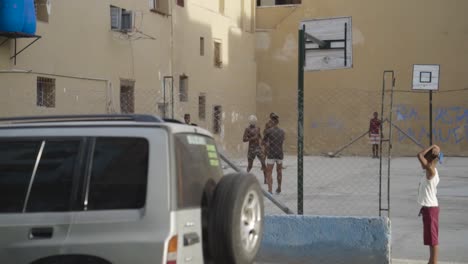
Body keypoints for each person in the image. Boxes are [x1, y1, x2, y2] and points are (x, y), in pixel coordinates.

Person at [417, 144, 442, 264]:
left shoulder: (431, 171)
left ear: (429, 159)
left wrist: (432, 146)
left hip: (431, 209)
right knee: (431, 240)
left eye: (425, 159)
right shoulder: (432, 170)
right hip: (429, 209)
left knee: (433, 241)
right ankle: (431, 262)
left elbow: (419, 155)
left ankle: (434, 262)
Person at [263, 113, 285, 194]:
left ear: (272, 121)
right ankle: (279, 188)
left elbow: (263, 142)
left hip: (271, 153)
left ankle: (270, 190)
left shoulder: (268, 131)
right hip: (279, 153)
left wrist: (267, 144)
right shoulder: (282, 132)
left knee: (269, 172)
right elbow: (282, 141)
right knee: (279, 171)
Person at [243, 115, 267, 183]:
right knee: (250, 165)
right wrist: (252, 138)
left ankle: (266, 179)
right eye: (252, 121)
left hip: (258, 148)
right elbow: (244, 139)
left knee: (263, 163)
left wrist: (263, 143)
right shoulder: (247, 129)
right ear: (250, 122)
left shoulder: (258, 128)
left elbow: (260, 136)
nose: (253, 122)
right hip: (251, 149)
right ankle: (245, 177)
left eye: (254, 121)